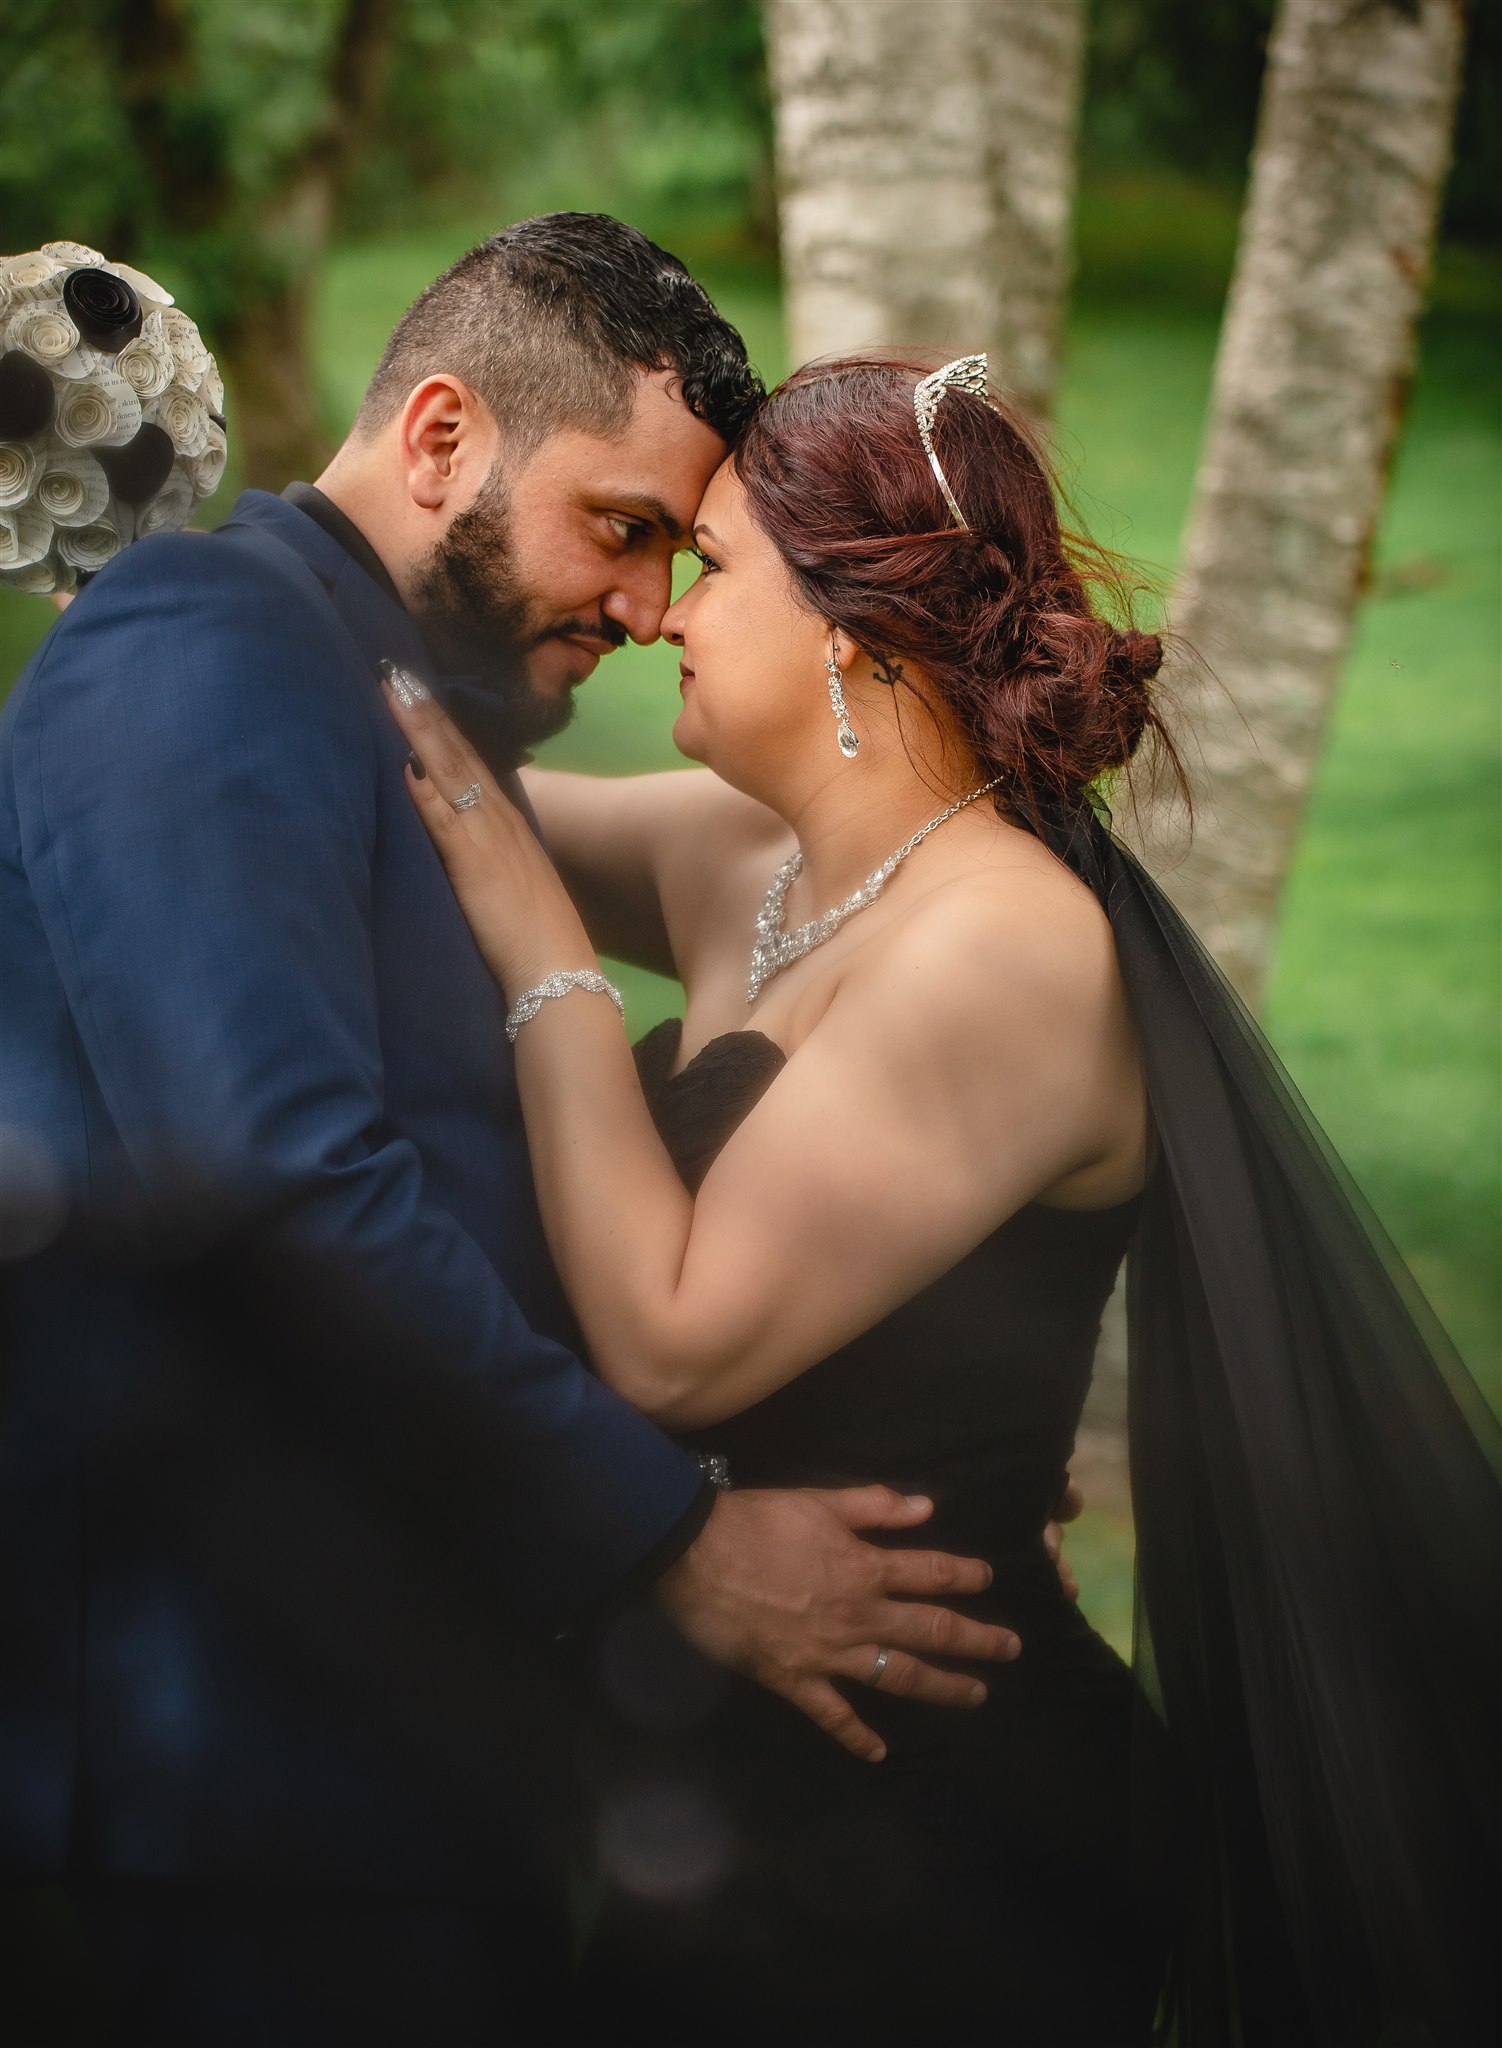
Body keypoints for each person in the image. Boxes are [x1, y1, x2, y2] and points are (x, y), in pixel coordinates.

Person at [383, 352, 1501, 2045]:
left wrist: (551, 966)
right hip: (731, 1784)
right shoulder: (758, 857)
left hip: (943, 1825)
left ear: (849, 627)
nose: (667, 615)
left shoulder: (1004, 949)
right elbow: (436, 807)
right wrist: (243, 603)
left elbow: (673, 1353)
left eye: (715, 566)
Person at [0, 221, 1037, 2047]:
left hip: (386, 1751)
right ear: (438, 440)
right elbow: (266, 1173)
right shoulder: (200, 636)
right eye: (624, 526)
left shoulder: (368, 683)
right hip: (239, 1779)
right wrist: (665, 1545)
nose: (648, 607)